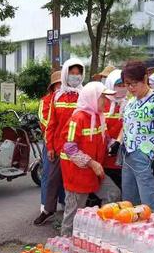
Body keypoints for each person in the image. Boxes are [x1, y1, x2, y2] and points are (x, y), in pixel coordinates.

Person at [60, 82, 121, 236]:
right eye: (102, 98)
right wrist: (91, 163)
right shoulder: (77, 118)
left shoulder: (99, 117)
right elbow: (69, 148)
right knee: (73, 214)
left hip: (94, 172)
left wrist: (114, 144)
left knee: (113, 194)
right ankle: (65, 246)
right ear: (92, 98)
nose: (106, 102)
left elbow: (105, 137)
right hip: (77, 175)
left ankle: (98, 232)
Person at [34, 58, 85, 225]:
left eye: (78, 74)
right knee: (51, 179)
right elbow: (51, 125)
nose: (75, 77)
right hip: (57, 147)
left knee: (74, 182)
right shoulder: (56, 97)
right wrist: (49, 146)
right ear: (65, 75)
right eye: (72, 73)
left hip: (77, 148)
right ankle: (48, 210)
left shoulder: (85, 96)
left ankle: (73, 215)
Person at [120, 60, 154, 212]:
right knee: (129, 205)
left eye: (134, 83)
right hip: (128, 155)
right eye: (127, 84)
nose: (130, 88)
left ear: (144, 79)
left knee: (150, 206)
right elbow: (127, 125)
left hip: (147, 157)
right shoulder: (130, 102)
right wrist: (118, 142)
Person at [38, 71, 65, 213]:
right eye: (57, 84)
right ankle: (45, 206)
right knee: (49, 175)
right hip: (51, 141)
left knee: (64, 175)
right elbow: (45, 122)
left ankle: (64, 202)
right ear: (53, 87)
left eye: (62, 84)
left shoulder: (69, 99)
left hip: (66, 143)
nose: (60, 87)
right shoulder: (46, 101)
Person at [102, 69, 127, 191]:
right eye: (118, 85)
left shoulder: (130, 103)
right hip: (104, 153)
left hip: (122, 154)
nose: (121, 88)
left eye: (124, 85)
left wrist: (117, 141)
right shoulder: (103, 102)